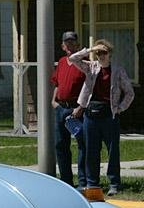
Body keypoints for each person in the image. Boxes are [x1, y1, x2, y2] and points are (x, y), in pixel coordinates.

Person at [69, 39, 134, 196]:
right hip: (91, 115)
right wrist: (90, 49)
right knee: (91, 150)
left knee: (112, 150)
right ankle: (92, 183)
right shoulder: (91, 67)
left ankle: (114, 183)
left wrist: (119, 108)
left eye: (104, 52)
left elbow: (129, 93)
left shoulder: (117, 71)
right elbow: (72, 59)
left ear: (110, 54)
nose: (101, 56)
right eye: (98, 53)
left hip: (109, 115)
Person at [50, 31, 87, 188]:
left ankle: (83, 181)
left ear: (77, 45)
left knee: (82, 144)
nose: (70, 46)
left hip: (77, 109)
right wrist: (53, 101)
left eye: (73, 43)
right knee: (60, 144)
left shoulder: (85, 63)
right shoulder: (62, 62)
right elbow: (57, 84)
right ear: (63, 46)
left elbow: (89, 87)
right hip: (61, 108)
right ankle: (66, 182)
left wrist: (81, 107)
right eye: (67, 43)